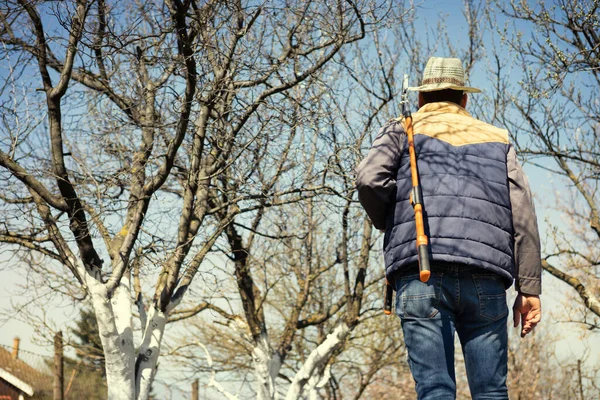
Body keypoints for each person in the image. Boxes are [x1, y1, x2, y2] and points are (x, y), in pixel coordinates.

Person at [355, 57, 542, 400]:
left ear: (421, 98)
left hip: (420, 271)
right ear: (464, 99)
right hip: (486, 277)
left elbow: (369, 179)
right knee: (491, 392)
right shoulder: (498, 138)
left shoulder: (402, 128)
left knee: (436, 390)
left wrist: (394, 224)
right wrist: (529, 289)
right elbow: (524, 214)